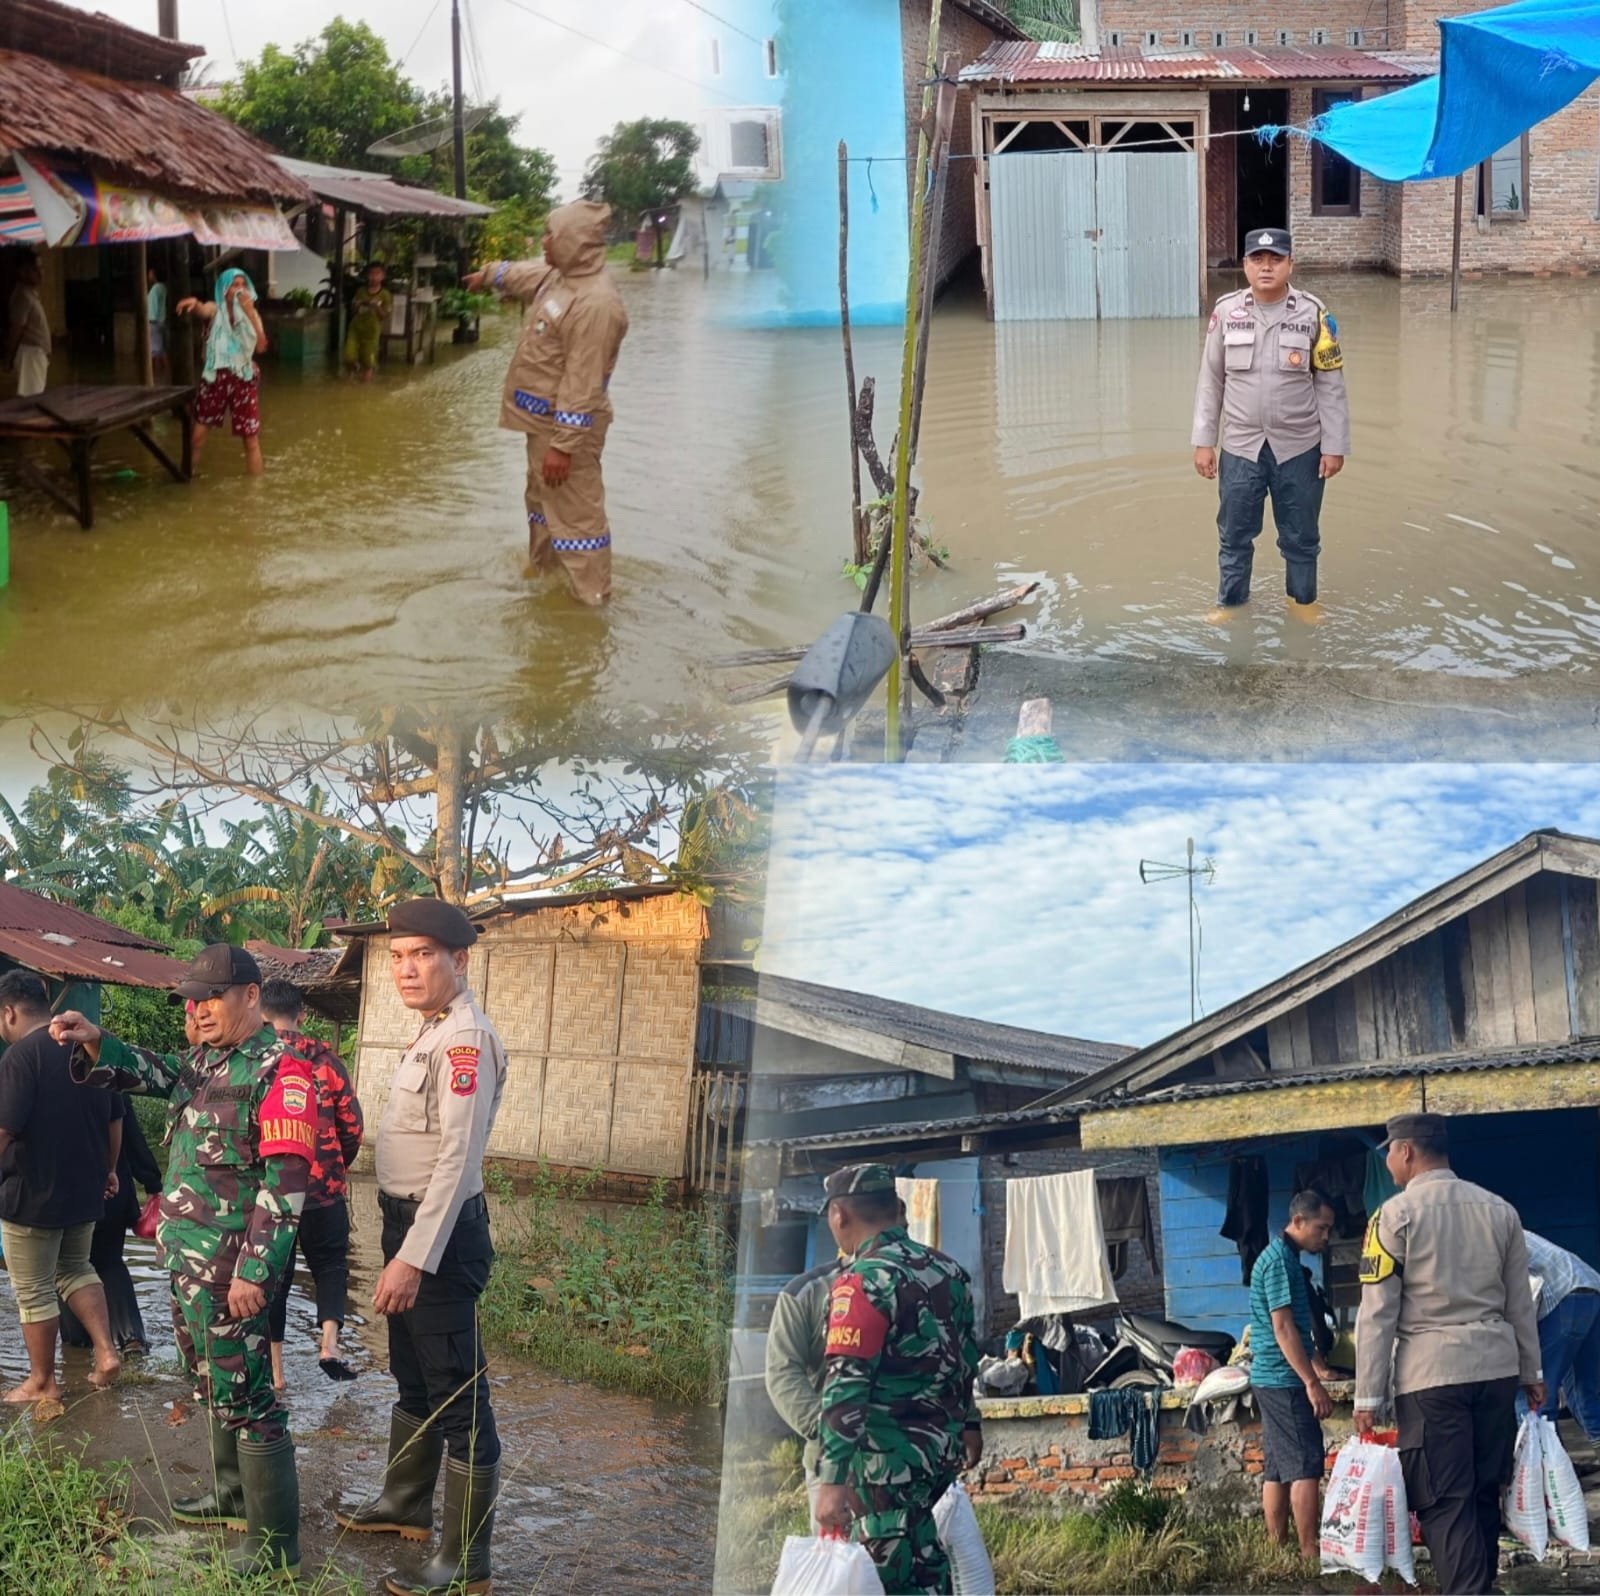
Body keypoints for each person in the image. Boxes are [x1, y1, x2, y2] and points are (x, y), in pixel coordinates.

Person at [49, 945, 318, 1577]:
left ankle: (276, 1545)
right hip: (188, 1260)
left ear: (251, 996)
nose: (196, 1010)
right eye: (191, 1000)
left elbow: (287, 1184)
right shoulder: (206, 1061)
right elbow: (155, 1071)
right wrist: (97, 1042)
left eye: (210, 998)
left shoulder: (283, 1072)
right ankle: (231, 1496)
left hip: (234, 1273)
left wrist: (257, 1270)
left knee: (251, 1397)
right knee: (210, 1381)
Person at [334, 898, 508, 1596]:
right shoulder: (432, 1031)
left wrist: (412, 1258)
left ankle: (467, 1561)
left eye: (422, 955)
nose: (406, 969)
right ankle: (405, 1505)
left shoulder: (465, 1041)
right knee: (413, 1374)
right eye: (398, 956)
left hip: (437, 1237)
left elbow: (459, 1162)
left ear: (458, 961)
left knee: (459, 1396)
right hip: (405, 1225)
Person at [1354, 1114, 1544, 1596]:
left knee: (1445, 1501)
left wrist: (1367, 1398)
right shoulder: (1500, 1210)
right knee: (1483, 1494)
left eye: (1390, 1153)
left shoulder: (1392, 1217)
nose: (1389, 1162)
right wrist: (1532, 1371)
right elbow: (1519, 1300)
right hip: (1496, 1372)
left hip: (1431, 1378)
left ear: (1407, 1152)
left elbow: (1376, 1313)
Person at [812, 1163, 981, 1595]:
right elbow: (965, 1360)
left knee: (883, 1579)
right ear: (899, 1208)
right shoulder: (950, 1273)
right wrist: (970, 1426)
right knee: (925, 1568)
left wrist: (831, 1480)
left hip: (883, 1469)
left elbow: (846, 1385)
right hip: (937, 1462)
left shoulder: (862, 1283)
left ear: (839, 1216)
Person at [464, 199, 630, 606]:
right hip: (542, 430)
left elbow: (583, 381)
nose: (544, 241)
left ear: (572, 241)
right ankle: (545, 578)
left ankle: (590, 605)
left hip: (564, 437)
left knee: (577, 520)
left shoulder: (596, 303)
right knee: (541, 506)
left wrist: (563, 445)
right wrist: (489, 275)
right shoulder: (559, 281)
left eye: (550, 235)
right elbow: (522, 275)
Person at [1191, 228, 1350, 622]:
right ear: (1244, 265)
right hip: (1241, 447)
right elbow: (1211, 380)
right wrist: (1203, 441)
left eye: (1275, 259)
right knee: (1234, 535)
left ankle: (1302, 604)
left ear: (1290, 264)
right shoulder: (1226, 312)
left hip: (1300, 447)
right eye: (1258, 260)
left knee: (1301, 537)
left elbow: (1330, 384)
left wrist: (1335, 445)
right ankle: (1231, 604)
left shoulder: (1314, 312)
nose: (1266, 267)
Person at [0, 970, 123, 1401]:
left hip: (33, 1192)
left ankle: (42, 1382)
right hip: (84, 1188)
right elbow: (115, 1118)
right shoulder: (89, 1046)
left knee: (33, 1288)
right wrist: (109, 1170)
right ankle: (106, 1353)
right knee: (76, 1268)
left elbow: (4, 1129)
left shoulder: (20, 1058)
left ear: (9, 1012)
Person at [259, 978, 363, 1388]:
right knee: (332, 1267)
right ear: (301, 1015)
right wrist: (334, 1165)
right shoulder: (329, 1064)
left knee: (275, 1278)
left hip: (275, 1192)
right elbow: (352, 1127)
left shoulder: (259, 1062)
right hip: (325, 1190)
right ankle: (329, 1345)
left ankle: (277, 1374)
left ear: (259, 1015)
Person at [1247, 1190, 1338, 1561]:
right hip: (1283, 1379)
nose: (1326, 1236)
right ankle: (1307, 1551)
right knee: (1305, 1464)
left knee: (1278, 1466)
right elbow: (1283, 1328)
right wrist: (1312, 1383)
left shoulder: (1282, 1258)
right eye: (1321, 1227)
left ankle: (1277, 1549)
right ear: (1298, 1221)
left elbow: (1298, 1329)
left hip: (1270, 1375)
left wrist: (1319, 1366)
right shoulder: (1280, 1263)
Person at [59, 1092, 162, 1358]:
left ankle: (77, 1346)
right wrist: (152, 1182)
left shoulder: (40, 1071)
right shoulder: (107, 1077)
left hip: (62, 1194)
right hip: (112, 1192)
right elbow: (132, 1136)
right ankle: (131, 1339)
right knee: (110, 1262)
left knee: (66, 1268)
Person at [766, 1256, 841, 1530]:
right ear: (838, 1215)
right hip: (831, 1463)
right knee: (834, 1565)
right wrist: (830, 1431)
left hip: (908, 1461)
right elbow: (783, 1373)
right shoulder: (806, 1292)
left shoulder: (921, 1280)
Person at [176, 267, 268, 476]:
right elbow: (203, 310)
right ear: (224, 289)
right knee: (197, 436)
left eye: (243, 285)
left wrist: (250, 313)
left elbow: (261, 346)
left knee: (251, 440)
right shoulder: (215, 309)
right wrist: (195, 304)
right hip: (215, 378)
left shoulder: (253, 314)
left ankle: (255, 493)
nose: (240, 290)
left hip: (243, 380)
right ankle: (186, 479)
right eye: (235, 285)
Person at [1522, 1230, 1600, 1435]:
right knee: (1584, 1392)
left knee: (1535, 1393)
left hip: (1562, 1295)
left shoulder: (1482, 1237)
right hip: (1592, 1288)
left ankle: (1548, 1465)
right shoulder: (1501, 1223)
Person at [5, 253, 51, 397]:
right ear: (23, 272)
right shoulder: (22, 296)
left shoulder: (30, 294)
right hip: (29, 355)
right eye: (35, 269)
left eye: (42, 268)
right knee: (32, 399)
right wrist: (9, 357)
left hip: (35, 355)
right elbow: (16, 328)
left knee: (35, 396)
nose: (40, 273)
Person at [344, 261, 392, 381]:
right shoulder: (361, 291)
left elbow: (384, 316)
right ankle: (350, 381)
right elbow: (353, 307)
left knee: (368, 363)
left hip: (372, 332)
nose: (374, 277)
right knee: (349, 357)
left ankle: (365, 388)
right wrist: (357, 304)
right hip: (355, 329)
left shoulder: (385, 294)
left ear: (383, 276)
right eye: (371, 274)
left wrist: (376, 307)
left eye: (377, 274)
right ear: (367, 275)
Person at [147, 265, 169, 383]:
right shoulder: (163, 287)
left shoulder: (156, 288)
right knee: (162, 349)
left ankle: (155, 377)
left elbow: (153, 306)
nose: (148, 275)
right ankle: (166, 375)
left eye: (150, 273)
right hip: (162, 320)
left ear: (155, 275)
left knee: (155, 350)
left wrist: (151, 319)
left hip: (155, 321)